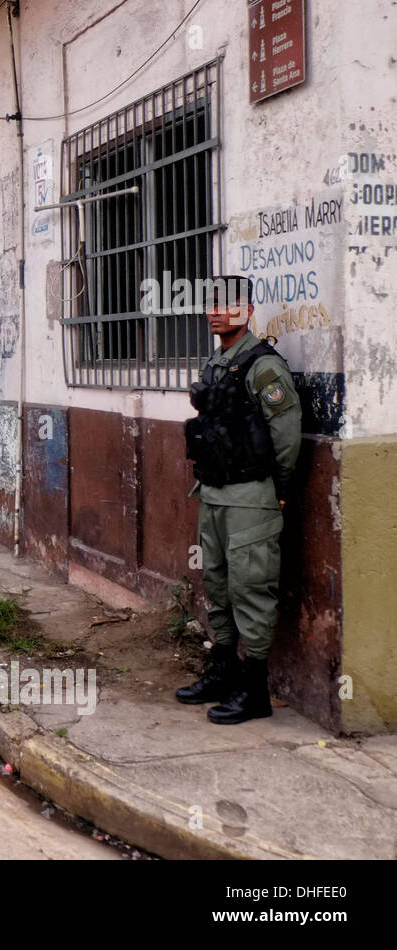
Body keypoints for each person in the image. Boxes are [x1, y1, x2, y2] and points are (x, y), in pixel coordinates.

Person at [177, 275, 301, 725]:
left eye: (228, 304)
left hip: (251, 496)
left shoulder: (264, 367)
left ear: (247, 312)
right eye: (211, 303)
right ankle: (223, 670)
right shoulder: (216, 364)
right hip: (213, 493)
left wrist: (276, 491)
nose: (216, 311)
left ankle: (255, 690)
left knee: (251, 588)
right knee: (218, 584)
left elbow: (285, 437)